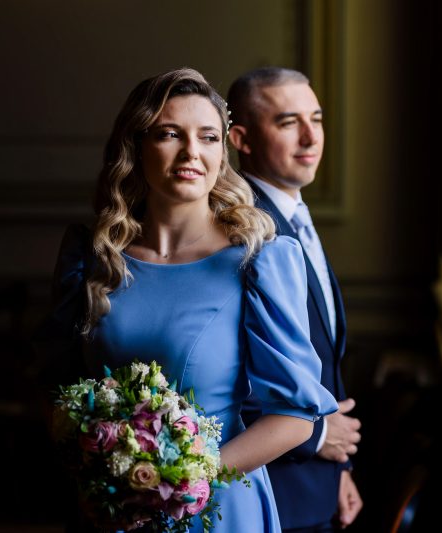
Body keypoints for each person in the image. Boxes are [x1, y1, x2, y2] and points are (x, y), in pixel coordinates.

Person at [33, 67, 338, 533]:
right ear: (137, 145)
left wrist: (179, 482)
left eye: (209, 137)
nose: (192, 152)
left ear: (223, 151)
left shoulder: (259, 260)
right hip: (114, 511)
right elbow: (55, 391)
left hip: (221, 510)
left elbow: (294, 418)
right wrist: (93, 478)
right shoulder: (90, 258)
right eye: (170, 134)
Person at [227, 66, 363, 532]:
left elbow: (321, 358)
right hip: (272, 494)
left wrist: (338, 470)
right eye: (288, 122)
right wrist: (317, 436)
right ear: (241, 139)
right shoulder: (238, 230)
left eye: (316, 119)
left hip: (317, 487)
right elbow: (221, 369)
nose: (310, 137)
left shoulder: (295, 214)